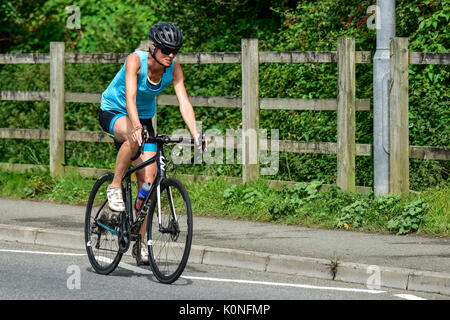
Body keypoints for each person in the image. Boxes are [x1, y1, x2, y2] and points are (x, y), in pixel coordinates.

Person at [99, 22, 202, 264]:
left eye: (175, 51)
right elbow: (131, 98)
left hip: (143, 118)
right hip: (115, 109)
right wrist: (135, 128)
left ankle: (141, 241)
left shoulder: (174, 69)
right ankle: (114, 186)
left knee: (148, 181)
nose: (171, 55)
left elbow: (184, 102)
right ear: (153, 47)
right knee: (133, 142)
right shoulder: (135, 60)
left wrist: (196, 132)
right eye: (166, 50)